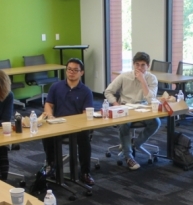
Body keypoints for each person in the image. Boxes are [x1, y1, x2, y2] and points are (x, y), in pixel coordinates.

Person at [42, 58, 95, 186]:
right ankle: (51, 165)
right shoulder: (56, 87)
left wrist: (77, 124)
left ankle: (85, 172)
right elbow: (48, 104)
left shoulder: (86, 91)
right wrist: (49, 115)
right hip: (58, 125)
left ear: (81, 72)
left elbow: (85, 113)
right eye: (69, 69)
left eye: (75, 70)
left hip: (77, 127)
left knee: (84, 138)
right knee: (46, 135)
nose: (71, 72)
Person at [104, 52, 159, 171]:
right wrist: (116, 104)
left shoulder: (152, 78)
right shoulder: (124, 76)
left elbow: (151, 100)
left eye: (143, 65)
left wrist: (143, 81)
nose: (139, 68)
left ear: (148, 66)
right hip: (125, 107)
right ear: (133, 65)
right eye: (137, 64)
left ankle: (135, 144)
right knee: (124, 124)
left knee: (156, 122)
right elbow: (108, 91)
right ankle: (128, 156)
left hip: (143, 108)